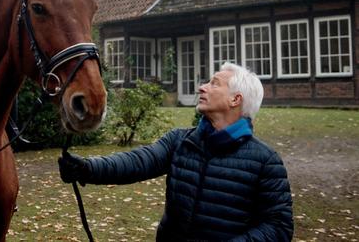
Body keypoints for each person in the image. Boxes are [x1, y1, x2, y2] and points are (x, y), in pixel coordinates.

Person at [59, 62, 294, 241]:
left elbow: (278, 228)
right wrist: (87, 169)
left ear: (235, 99)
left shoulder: (265, 162)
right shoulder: (180, 141)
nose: (202, 87)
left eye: (214, 83)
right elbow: (138, 161)